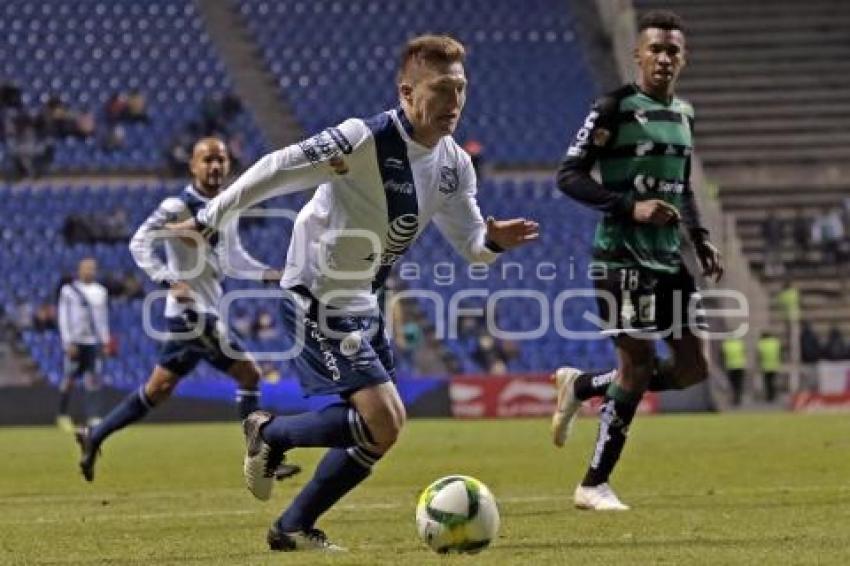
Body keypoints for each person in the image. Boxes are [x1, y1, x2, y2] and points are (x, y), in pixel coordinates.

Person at [169, 34, 538, 552]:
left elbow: (472, 245)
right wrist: (211, 216)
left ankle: (292, 527)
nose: (454, 102)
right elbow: (278, 167)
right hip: (317, 293)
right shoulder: (360, 140)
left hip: (365, 296)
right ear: (407, 91)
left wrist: (493, 241)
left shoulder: (455, 165)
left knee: (385, 429)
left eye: (460, 88)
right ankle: (268, 433)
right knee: (382, 418)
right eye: (441, 89)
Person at [549, 10, 723, 510]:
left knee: (693, 368)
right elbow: (568, 175)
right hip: (620, 256)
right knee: (637, 364)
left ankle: (582, 385)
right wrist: (631, 206)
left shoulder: (684, 115)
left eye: (673, 50)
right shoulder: (615, 108)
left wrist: (701, 235)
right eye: (656, 49)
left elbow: (681, 185)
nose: (665, 58)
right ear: (638, 55)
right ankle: (592, 484)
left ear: (683, 58)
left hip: (670, 259)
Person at [74, 137, 301, 483]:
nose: (215, 166)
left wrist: (268, 274)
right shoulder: (177, 205)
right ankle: (262, 459)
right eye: (207, 159)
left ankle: (96, 434)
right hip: (191, 313)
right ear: (193, 166)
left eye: (221, 159)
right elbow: (140, 241)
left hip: (203, 311)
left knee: (158, 389)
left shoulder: (227, 206)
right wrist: (168, 280)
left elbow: (232, 258)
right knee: (249, 374)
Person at [57, 258, 110, 431]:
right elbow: (63, 317)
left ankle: (93, 416)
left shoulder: (101, 291)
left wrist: (105, 340)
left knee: (93, 379)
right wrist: (68, 342)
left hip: (93, 341)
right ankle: (62, 414)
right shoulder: (69, 291)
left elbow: (103, 318)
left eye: (92, 268)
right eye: (86, 268)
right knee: (69, 379)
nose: (89, 271)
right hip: (75, 342)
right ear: (79, 270)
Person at [757, 332, 782, 402]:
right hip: (774, 365)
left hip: (765, 366)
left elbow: (759, 355)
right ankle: (773, 395)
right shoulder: (775, 342)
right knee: (773, 381)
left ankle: (769, 396)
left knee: (767, 382)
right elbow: (780, 353)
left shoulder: (761, 343)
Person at [722, 336, 747, 405]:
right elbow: (744, 353)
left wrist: (723, 366)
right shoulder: (740, 344)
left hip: (730, 367)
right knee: (739, 383)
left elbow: (722, 356)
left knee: (732, 384)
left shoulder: (726, 345)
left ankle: (734, 398)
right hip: (740, 366)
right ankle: (738, 398)